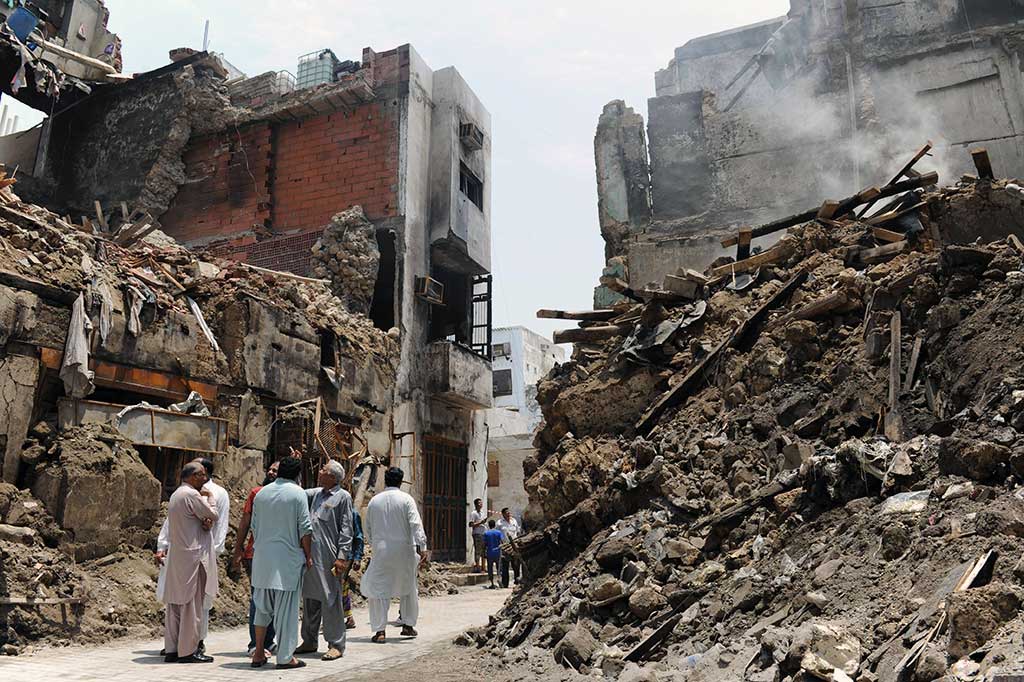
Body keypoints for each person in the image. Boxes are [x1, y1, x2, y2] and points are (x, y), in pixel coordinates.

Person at [155, 457, 230, 657]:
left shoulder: (177, 495)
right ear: (194, 476)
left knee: (175, 604)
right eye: (202, 475)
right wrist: (208, 497)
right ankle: (188, 651)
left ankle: (172, 649)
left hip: (179, 556)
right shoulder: (192, 495)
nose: (205, 479)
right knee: (191, 606)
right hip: (194, 557)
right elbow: (213, 514)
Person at [249, 456, 313, 670]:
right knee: (286, 611)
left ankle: (258, 652)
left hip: (262, 559)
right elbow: (305, 528)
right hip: (287, 561)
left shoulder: (261, 493)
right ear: (298, 474)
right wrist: (308, 555)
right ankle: (285, 657)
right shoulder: (298, 494)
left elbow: (254, 527)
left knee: (262, 609)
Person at [360, 466, 429, 643]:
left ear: (386, 480)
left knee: (379, 589)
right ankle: (407, 625)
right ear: (400, 481)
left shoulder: (375, 501)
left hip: (381, 550)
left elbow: (367, 528)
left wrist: (376, 544)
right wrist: (422, 546)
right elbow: (416, 524)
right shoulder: (407, 499)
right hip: (405, 550)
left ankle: (380, 631)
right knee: (409, 587)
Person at [295, 460, 354, 661]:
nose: (320, 471)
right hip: (311, 555)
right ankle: (309, 641)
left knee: (330, 599)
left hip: (329, 556)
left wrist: (342, 557)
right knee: (310, 598)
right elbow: (296, 492)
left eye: (324, 469)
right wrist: (295, 463)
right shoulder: (316, 494)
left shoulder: (342, 497)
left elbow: (347, 528)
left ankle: (336, 643)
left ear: (333, 477)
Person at [230, 459, 279, 656]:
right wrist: (238, 550)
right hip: (255, 553)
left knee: (275, 599)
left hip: (278, 555)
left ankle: (269, 640)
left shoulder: (290, 494)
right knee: (259, 599)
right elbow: (245, 523)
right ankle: (255, 644)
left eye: (276, 470)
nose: (272, 472)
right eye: (270, 469)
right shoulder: (256, 493)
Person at [343, 504, 364, 629]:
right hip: (333, 554)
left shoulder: (353, 513)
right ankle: (349, 617)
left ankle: (336, 618)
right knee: (342, 586)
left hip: (347, 555)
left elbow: (359, 536)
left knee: (338, 586)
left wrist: (357, 557)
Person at [496, 508, 522, 588]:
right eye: (506, 513)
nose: (508, 514)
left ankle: (517, 581)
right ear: (503, 514)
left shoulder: (514, 521)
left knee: (516, 564)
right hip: (505, 545)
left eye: (509, 512)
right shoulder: (499, 523)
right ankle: (505, 583)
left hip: (514, 545)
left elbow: (517, 532)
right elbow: (498, 534)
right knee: (505, 565)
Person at [468, 498, 490, 572]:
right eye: (479, 503)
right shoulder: (473, 513)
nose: (481, 504)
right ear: (476, 504)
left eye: (481, 503)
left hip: (484, 533)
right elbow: (471, 524)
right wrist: (480, 523)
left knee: (484, 551)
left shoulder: (482, 513)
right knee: (478, 551)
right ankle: (477, 567)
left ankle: (484, 567)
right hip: (477, 534)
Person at [482, 520, 503, 590]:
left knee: (490, 568)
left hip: (489, 553)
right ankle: (499, 580)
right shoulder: (499, 532)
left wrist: (483, 553)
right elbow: (502, 542)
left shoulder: (486, 533)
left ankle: (492, 583)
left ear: (489, 525)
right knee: (499, 568)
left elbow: (484, 544)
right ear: (495, 525)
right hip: (498, 552)